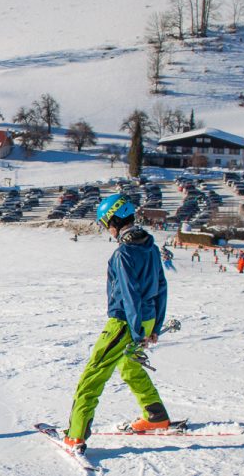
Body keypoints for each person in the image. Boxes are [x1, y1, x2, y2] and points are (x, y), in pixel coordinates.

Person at [63, 194, 171, 454]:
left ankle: (75, 434)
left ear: (115, 219)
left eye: (105, 223)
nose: (106, 229)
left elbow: (130, 294)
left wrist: (134, 333)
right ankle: (155, 415)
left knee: (93, 374)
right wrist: (154, 326)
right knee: (130, 367)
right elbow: (161, 286)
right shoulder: (151, 248)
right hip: (145, 320)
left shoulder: (123, 253)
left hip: (124, 323)